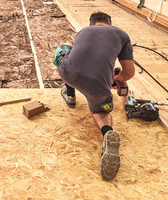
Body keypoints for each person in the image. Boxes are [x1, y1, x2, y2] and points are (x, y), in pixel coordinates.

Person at [54, 12, 135, 180]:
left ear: (92, 25)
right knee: (101, 112)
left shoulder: (83, 31)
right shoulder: (122, 35)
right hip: (98, 87)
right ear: (110, 23)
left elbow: (84, 58)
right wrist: (117, 78)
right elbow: (129, 72)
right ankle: (107, 133)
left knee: (64, 50)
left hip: (70, 74)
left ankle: (70, 97)